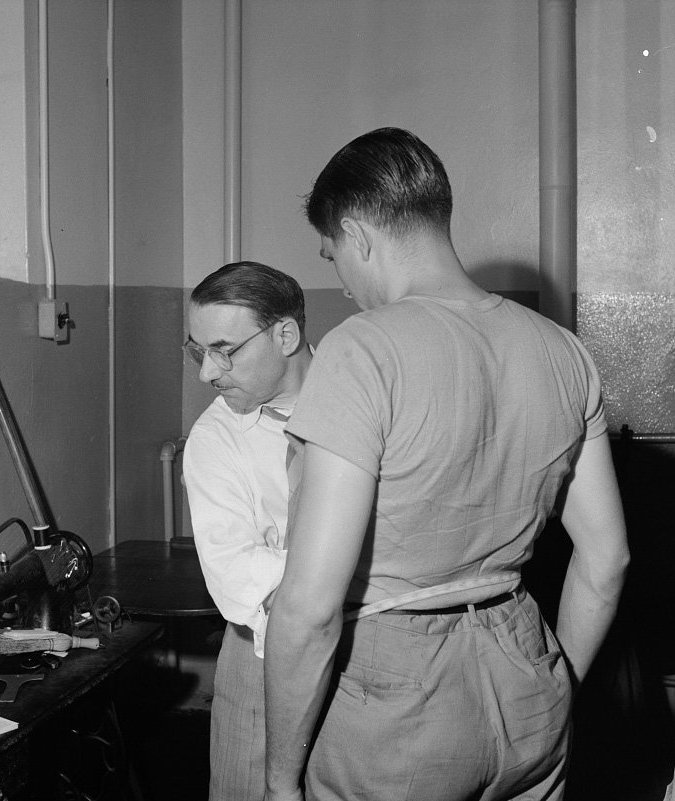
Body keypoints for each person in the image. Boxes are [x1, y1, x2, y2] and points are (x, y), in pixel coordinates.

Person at [263, 128, 630, 801]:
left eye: (333, 255)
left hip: (395, 699)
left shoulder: (360, 349)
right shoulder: (562, 349)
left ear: (357, 234)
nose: (341, 283)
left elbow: (310, 606)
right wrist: (553, 689)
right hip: (524, 666)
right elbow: (606, 561)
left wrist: (280, 779)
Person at [181, 261, 314, 801]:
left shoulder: (365, 400)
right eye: (197, 350)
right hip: (259, 659)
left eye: (224, 350)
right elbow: (238, 577)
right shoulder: (214, 437)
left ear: (286, 334)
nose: (206, 373)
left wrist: (293, 565)